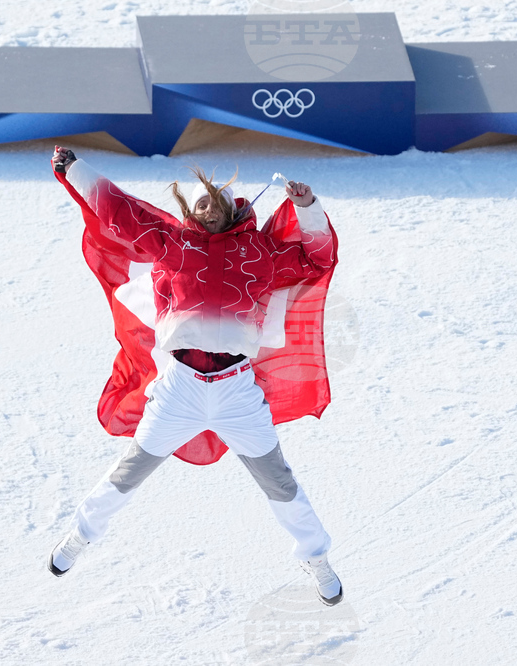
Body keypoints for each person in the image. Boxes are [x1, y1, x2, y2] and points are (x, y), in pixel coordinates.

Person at [46, 146, 343, 605]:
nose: (207, 206)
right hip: (179, 389)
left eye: (214, 201)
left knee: (279, 482)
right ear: (190, 211)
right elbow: (119, 211)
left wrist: (308, 209)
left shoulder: (261, 251)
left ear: (229, 210)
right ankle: (80, 535)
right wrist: (75, 168)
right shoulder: (170, 242)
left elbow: (318, 259)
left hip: (238, 391)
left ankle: (316, 558)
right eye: (199, 202)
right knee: (129, 472)